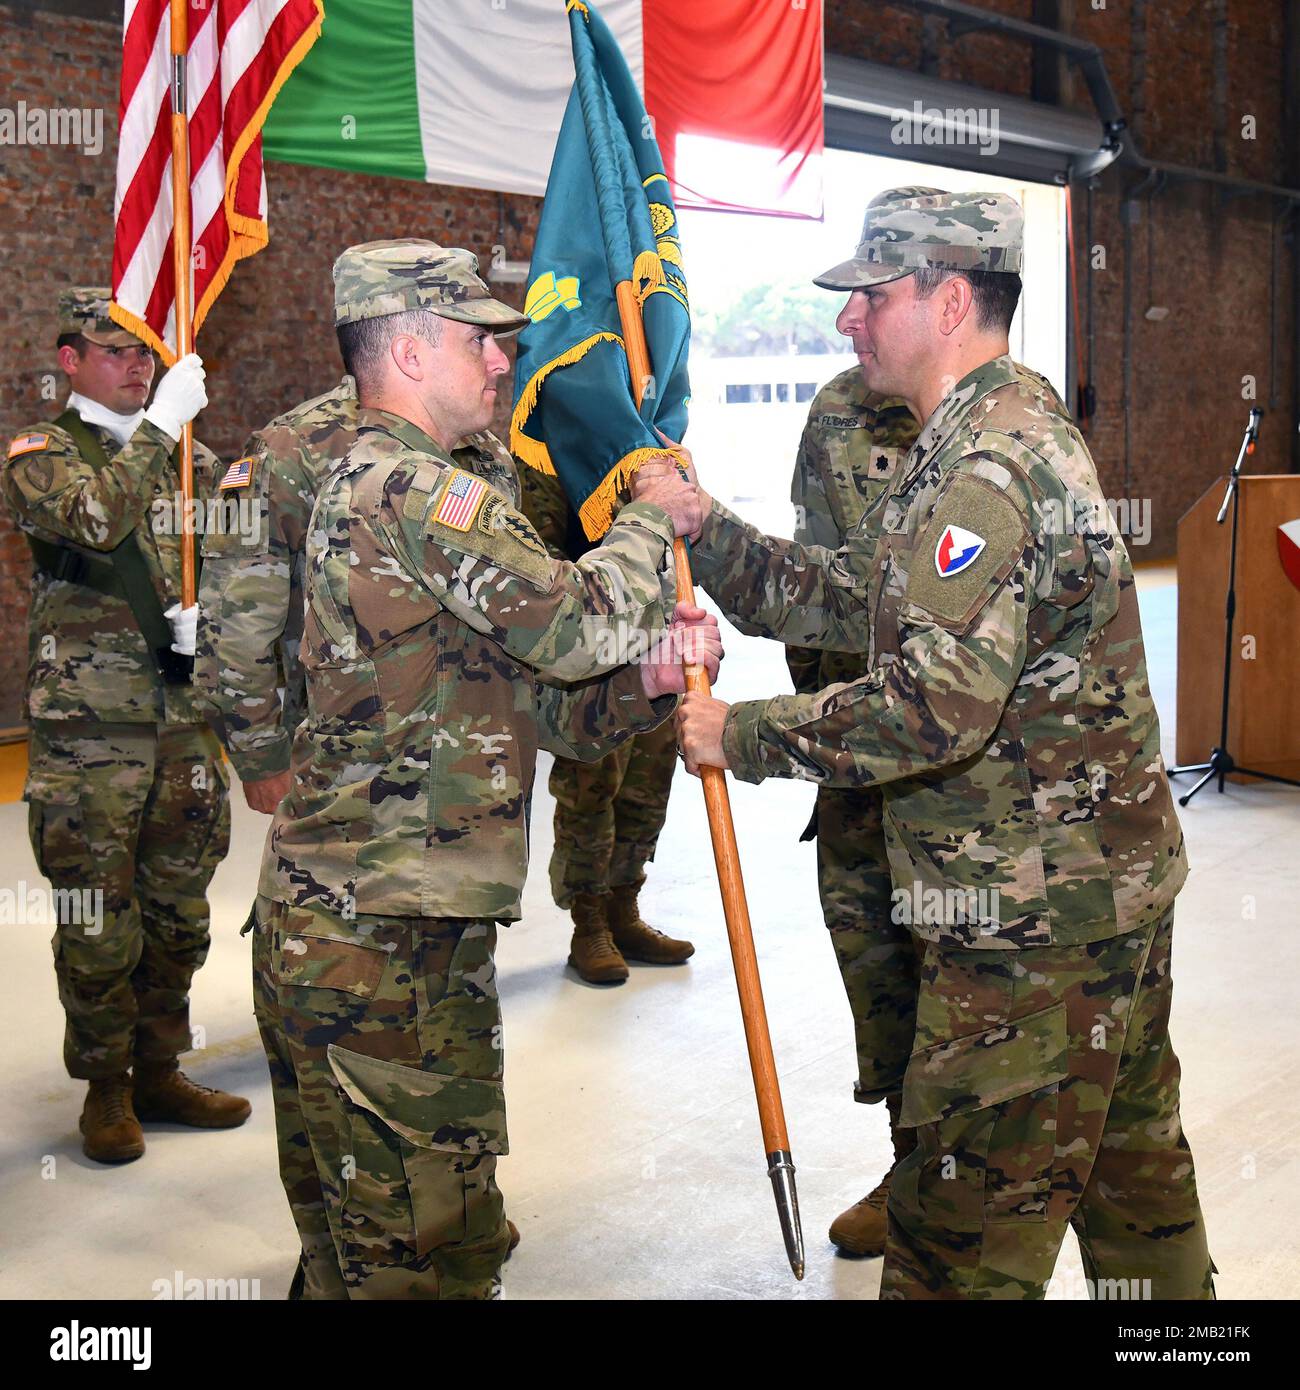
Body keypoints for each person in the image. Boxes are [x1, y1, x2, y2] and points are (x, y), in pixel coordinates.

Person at [658, 189, 1215, 1299]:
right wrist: (705, 530)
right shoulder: (981, 432)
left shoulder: (985, 467)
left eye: (869, 295)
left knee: (954, 1235)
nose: (845, 321)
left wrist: (741, 734)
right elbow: (852, 591)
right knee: (1132, 1188)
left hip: (1031, 931)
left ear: (948, 299)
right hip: (1099, 900)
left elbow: (932, 707)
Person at [251, 239, 718, 1299]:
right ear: (411, 353)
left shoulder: (395, 486)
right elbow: (571, 621)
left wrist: (647, 681)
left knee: (359, 1254)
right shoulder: (412, 491)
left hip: (361, 925)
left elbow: (533, 696)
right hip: (383, 947)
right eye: (480, 341)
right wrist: (654, 512)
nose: (504, 364)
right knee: (425, 1262)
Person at [2, 288, 248, 1165]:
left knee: (180, 912)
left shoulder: (188, 455)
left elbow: (236, 554)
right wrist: (162, 429)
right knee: (98, 919)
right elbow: (95, 520)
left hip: (182, 723)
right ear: (69, 360)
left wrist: (203, 614)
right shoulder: (39, 454)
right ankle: (105, 1089)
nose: (138, 365)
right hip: (89, 730)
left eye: (145, 352)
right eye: (115, 351)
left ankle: (158, 1068)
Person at [197, 375, 524, 815]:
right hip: (352, 768)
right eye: (476, 339)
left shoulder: (483, 451)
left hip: (480, 756)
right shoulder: (292, 448)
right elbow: (235, 620)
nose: (496, 362)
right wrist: (258, 756)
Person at [519, 467, 692, 983]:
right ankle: (588, 921)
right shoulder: (553, 456)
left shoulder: (646, 449)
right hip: (589, 652)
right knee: (590, 790)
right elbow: (542, 565)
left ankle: (624, 908)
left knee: (649, 784)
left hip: (653, 639)